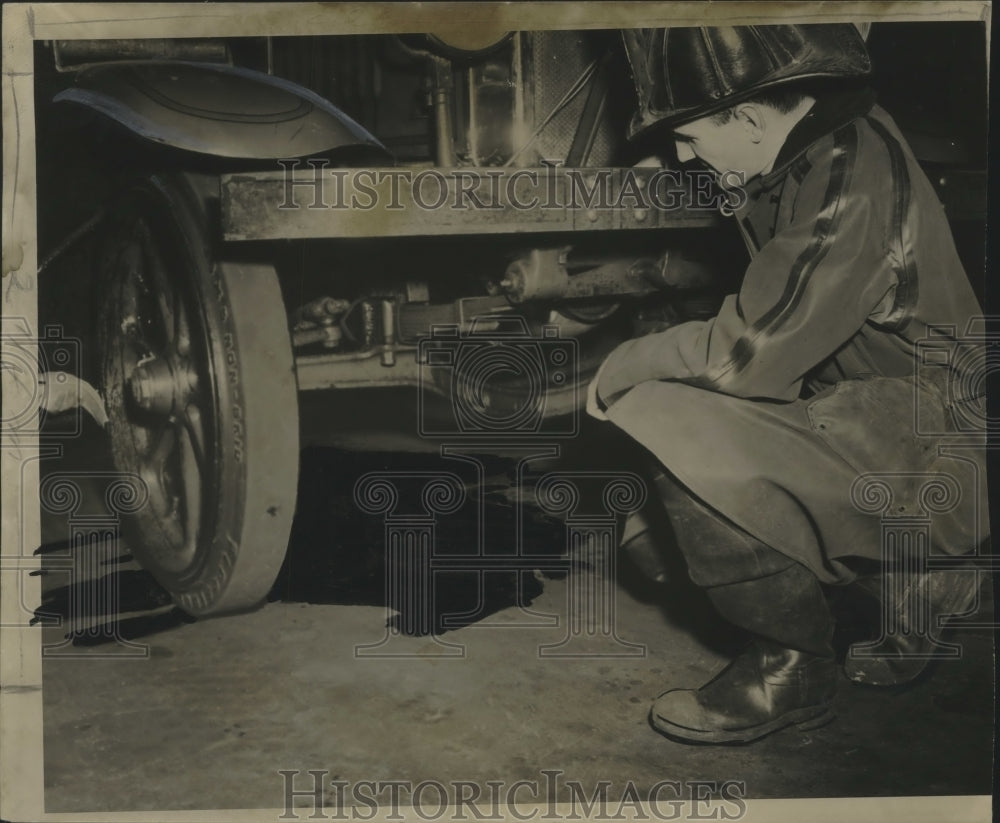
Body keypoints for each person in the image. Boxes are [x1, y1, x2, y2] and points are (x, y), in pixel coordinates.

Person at [588, 24, 989, 744]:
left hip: (923, 441)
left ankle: (791, 666)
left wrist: (622, 365)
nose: (681, 154)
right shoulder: (813, 151)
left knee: (663, 412)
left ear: (746, 118)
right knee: (657, 518)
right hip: (879, 419)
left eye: (689, 136)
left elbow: (748, 355)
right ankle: (924, 573)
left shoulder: (848, 178)